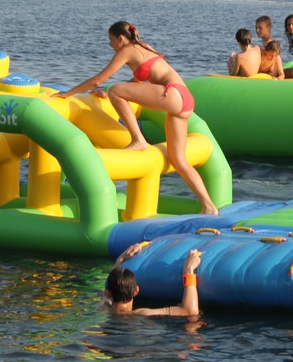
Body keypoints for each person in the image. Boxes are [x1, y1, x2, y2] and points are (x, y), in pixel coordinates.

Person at [53, 21, 219, 215]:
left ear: (120, 38)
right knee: (178, 160)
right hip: (184, 99)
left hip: (172, 94)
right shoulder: (144, 47)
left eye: (110, 40)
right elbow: (140, 79)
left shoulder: (127, 51)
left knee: (115, 90)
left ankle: (138, 139)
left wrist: (68, 93)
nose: (110, 45)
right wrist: (109, 93)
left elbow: (98, 80)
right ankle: (209, 206)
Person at [104, 242, 202, 317]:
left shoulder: (104, 308)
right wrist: (189, 270)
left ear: (107, 293)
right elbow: (189, 312)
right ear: (136, 291)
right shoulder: (140, 314)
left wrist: (121, 260)